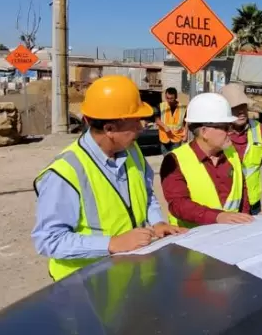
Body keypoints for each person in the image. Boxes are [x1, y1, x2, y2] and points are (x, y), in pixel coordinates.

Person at [32, 75, 186, 282]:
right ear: (110, 129)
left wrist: (157, 222)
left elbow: (147, 194)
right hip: (84, 286)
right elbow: (49, 240)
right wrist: (111, 244)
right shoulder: (65, 172)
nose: (142, 127)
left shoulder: (132, 152)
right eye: (135, 122)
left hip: (128, 275)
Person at [160, 92, 255, 227]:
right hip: (193, 240)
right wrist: (218, 217)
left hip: (232, 235)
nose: (231, 131)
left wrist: (245, 221)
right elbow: (178, 204)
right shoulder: (175, 160)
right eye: (226, 127)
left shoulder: (231, 153)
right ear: (205, 132)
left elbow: (242, 193)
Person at [219, 83, 262, 215]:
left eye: (243, 107)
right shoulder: (217, 133)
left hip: (253, 204)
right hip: (227, 206)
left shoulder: (259, 129)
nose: (241, 112)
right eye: (235, 108)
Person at [154, 87, 186, 154]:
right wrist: (164, 126)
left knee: (175, 160)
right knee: (167, 160)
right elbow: (157, 119)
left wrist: (186, 135)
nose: (169, 100)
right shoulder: (161, 106)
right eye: (167, 98)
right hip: (164, 138)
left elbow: (186, 122)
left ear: (176, 97)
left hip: (177, 138)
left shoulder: (183, 107)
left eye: (171, 98)